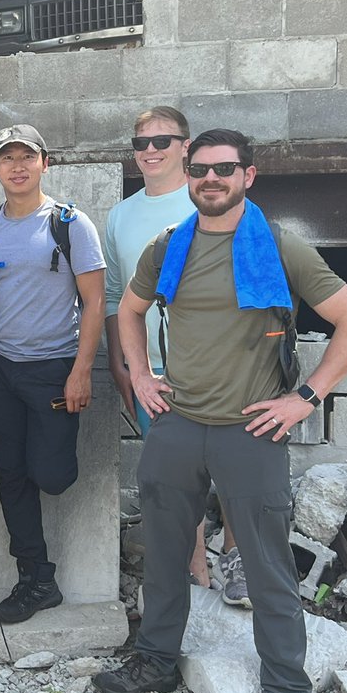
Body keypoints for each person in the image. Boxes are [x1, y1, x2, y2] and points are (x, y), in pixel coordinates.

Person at [92, 129, 347, 693]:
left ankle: (286, 692)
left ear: (249, 175)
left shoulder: (279, 246)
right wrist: (139, 373)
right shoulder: (169, 248)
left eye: (223, 170)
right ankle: (157, 662)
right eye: (200, 170)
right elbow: (129, 312)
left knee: (268, 567)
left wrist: (305, 398)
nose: (209, 180)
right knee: (165, 557)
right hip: (177, 425)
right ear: (188, 176)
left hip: (252, 430)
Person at [0, 125, 105, 624]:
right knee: (11, 476)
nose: (17, 166)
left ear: (46, 163)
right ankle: (36, 580)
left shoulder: (70, 224)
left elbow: (93, 302)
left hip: (53, 370)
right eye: (7, 158)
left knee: (52, 475)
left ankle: (38, 563)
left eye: (28, 156)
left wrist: (82, 371)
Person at [103, 108, 245, 601]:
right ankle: (195, 573)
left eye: (162, 140)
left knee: (232, 471)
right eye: (141, 142)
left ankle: (235, 559)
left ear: (186, 147)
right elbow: (115, 298)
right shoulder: (121, 215)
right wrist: (122, 365)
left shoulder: (210, 202)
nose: (150, 150)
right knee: (175, 480)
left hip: (221, 369)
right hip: (154, 375)